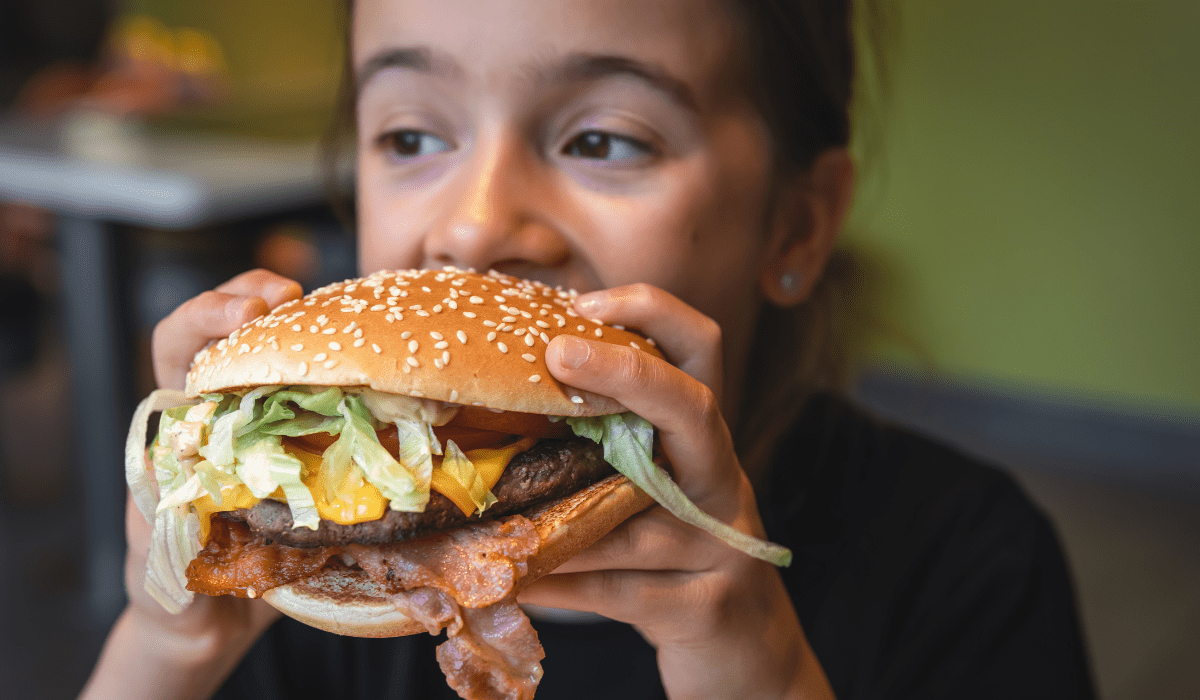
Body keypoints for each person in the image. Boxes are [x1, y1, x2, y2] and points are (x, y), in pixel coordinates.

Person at [82, 0, 1096, 698]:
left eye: (602, 139)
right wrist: (168, 642)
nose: (474, 229)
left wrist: (765, 672)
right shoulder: (305, 591)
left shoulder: (973, 563)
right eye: (409, 137)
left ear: (798, 225)